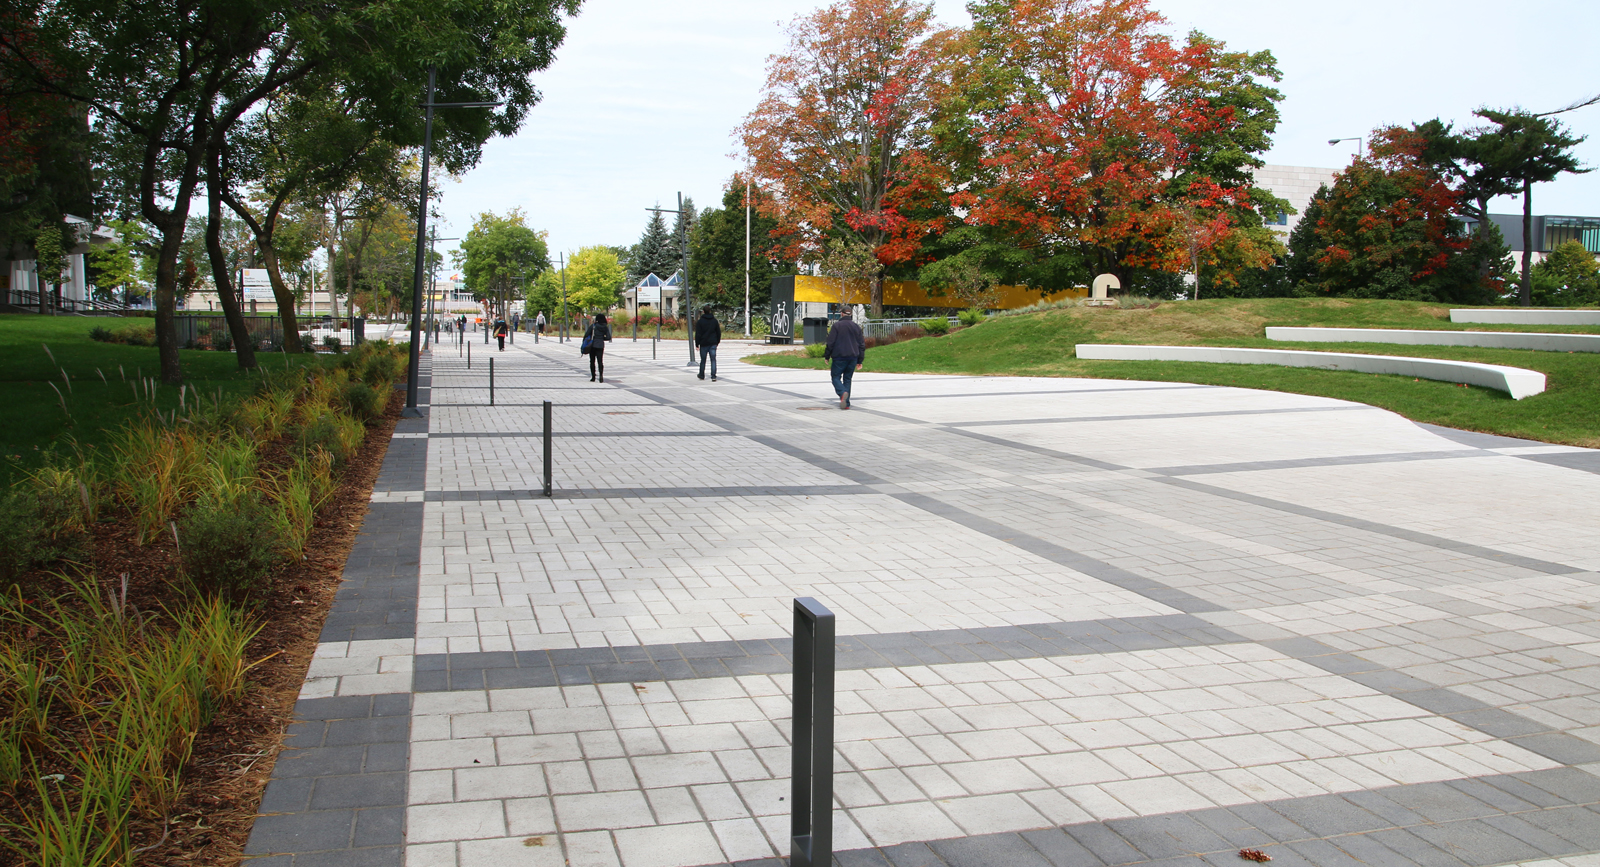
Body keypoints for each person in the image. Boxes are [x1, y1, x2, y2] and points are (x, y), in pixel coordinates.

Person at [822, 309, 865, 410]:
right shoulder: (856, 327)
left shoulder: (837, 326)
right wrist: (860, 360)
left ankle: (842, 393)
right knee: (847, 379)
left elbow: (830, 342)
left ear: (841, 314)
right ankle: (846, 404)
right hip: (853, 357)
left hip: (839, 357)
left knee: (835, 377)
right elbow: (861, 344)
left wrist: (827, 355)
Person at [583, 313, 613, 382]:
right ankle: (601, 376)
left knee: (592, 361)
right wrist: (602, 338)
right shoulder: (605, 327)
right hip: (600, 345)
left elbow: (586, 334)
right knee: (600, 361)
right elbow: (608, 337)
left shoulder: (593, 326)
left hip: (592, 345)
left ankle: (593, 377)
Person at [694, 308, 721, 381]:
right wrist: (717, 341)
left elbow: (698, 334)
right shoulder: (714, 321)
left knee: (703, 360)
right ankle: (713, 376)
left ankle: (701, 375)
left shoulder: (700, 322)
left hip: (703, 343)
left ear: (703, 311)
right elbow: (718, 332)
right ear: (710, 311)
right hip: (713, 343)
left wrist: (697, 344)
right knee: (713, 360)